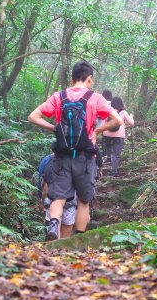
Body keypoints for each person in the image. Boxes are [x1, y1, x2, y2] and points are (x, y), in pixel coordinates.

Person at [28, 61, 121, 240]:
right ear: (90, 79)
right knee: (83, 201)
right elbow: (117, 120)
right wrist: (96, 130)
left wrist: (54, 128)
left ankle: (53, 226)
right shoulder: (96, 98)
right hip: (85, 157)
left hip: (62, 156)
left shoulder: (59, 96)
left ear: (72, 79)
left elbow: (33, 116)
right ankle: (77, 240)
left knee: (58, 197)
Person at [37, 154, 77, 238]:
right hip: (70, 202)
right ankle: (64, 250)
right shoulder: (74, 160)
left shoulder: (47, 161)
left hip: (52, 202)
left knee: (54, 235)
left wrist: (42, 201)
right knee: (66, 237)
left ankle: (54, 249)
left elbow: (45, 188)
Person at [102, 96, 134, 177]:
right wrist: (131, 117)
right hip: (118, 136)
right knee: (116, 154)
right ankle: (114, 172)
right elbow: (131, 124)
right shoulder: (123, 112)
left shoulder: (108, 111)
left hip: (106, 135)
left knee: (109, 150)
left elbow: (102, 122)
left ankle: (108, 157)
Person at [100, 89, 113, 162]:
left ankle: (107, 154)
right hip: (113, 124)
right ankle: (112, 155)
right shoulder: (113, 103)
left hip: (104, 125)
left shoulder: (103, 103)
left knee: (105, 140)